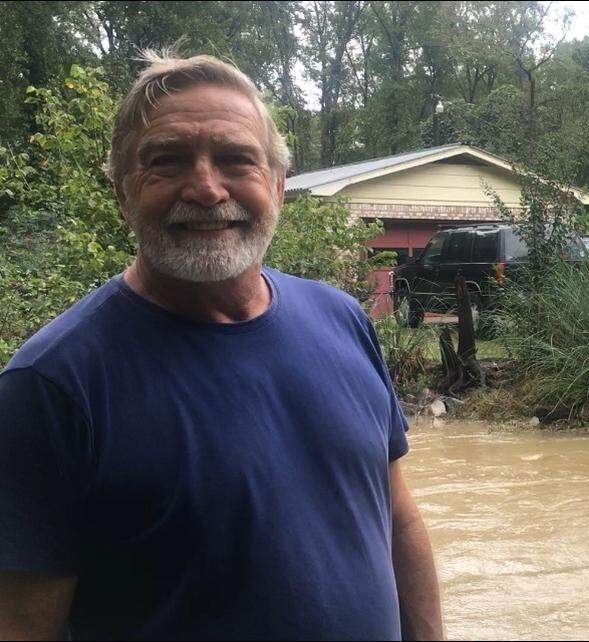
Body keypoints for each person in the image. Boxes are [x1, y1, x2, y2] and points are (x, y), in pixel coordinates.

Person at [0, 51, 443, 640]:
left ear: (278, 186)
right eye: (168, 161)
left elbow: (395, 515)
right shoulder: (50, 386)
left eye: (237, 160)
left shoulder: (341, 319)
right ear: (123, 194)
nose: (207, 189)